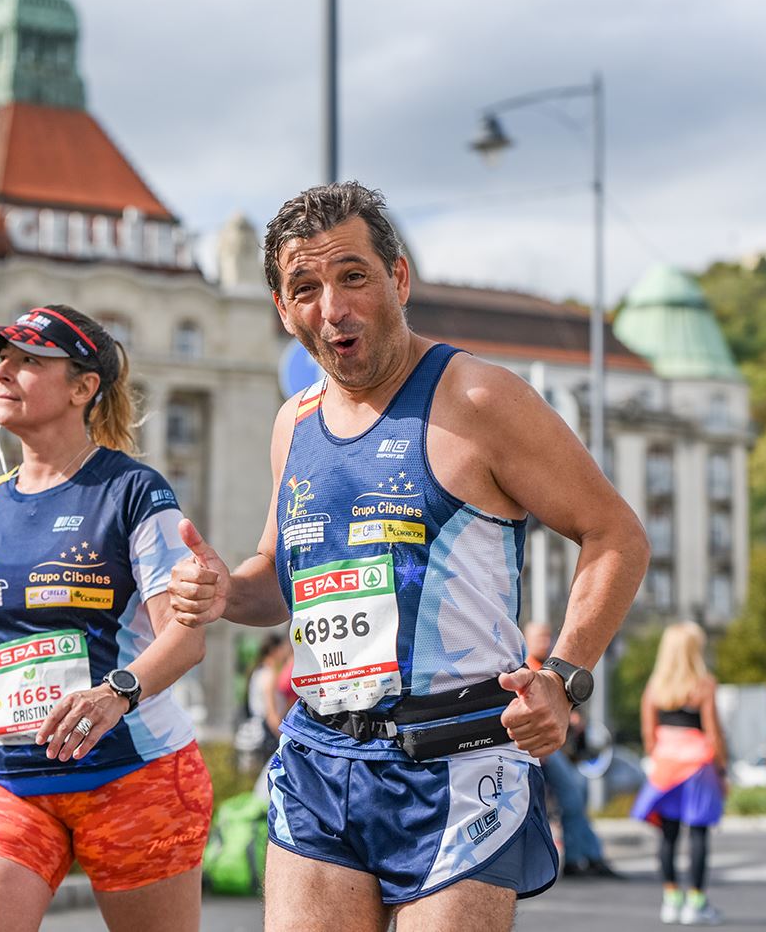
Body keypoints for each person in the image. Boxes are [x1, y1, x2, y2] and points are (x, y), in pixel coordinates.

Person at [169, 182, 650, 932]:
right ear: (282, 309)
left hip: (459, 761)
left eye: (352, 276)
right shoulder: (292, 425)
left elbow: (616, 534)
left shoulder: (480, 398)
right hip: (321, 756)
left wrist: (563, 676)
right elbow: (278, 582)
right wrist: (223, 590)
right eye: (306, 288)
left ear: (397, 279)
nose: (332, 307)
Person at [0, 305, 211, 932]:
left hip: (134, 775)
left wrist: (116, 693)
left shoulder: (134, 492)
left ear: (83, 387)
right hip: (9, 778)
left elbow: (185, 638)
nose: (4, 372)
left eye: (29, 361)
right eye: (2, 359)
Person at [630, 622, 726, 926]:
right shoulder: (704, 684)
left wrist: (658, 758)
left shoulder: (655, 686)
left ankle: (671, 899)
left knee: (668, 835)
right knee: (698, 833)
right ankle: (696, 902)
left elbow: (649, 734)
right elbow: (713, 732)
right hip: (699, 766)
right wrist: (722, 769)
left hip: (666, 766)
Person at [523, 621, 620, 879]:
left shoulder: (550, 668)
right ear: (526, 639)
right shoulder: (528, 668)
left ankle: (590, 855)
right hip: (543, 748)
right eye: (540, 637)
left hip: (555, 747)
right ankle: (581, 857)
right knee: (572, 797)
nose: (546, 642)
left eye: (547, 637)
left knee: (576, 798)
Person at [237, 633, 291, 771]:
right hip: (265, 734)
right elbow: (270, 712)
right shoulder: (269, 675)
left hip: (254, 731)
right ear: (275, 650)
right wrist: (283, 736)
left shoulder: (258, 671)